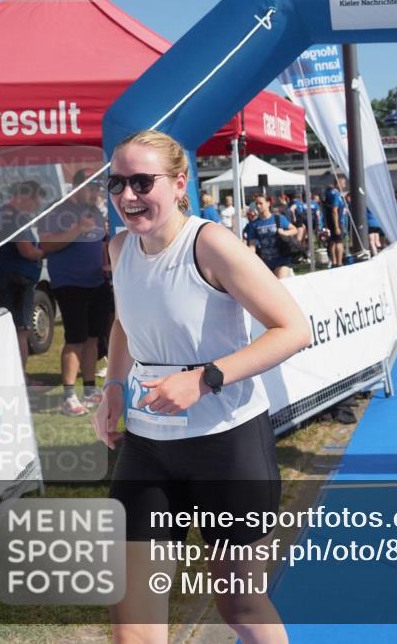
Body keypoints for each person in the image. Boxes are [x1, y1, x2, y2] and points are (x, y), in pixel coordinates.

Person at [92, 130, 310, 644]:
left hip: (228, 447)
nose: (127, 196)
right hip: (148, 448)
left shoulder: (210, 244)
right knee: (132, 623)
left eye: (141, 182)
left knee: (239, 604)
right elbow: (125, 321)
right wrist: (114, 386)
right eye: (116, 183)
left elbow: (293, 329)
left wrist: (206, 378)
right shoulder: (120, 247)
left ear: (179, 183)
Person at [39, 169, 113, 416]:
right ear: (77, 186)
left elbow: (101, 242)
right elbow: (46, 244)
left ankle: (90, 389)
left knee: (93, 338)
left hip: (96, 282)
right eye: (91, 188)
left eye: (98, 188)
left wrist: (107, 264)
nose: (96, 193)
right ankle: (69, 397)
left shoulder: (94, 211)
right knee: (75, 339)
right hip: (70, 284)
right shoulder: (57, 210)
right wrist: (78, 229)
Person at [0, 180, 47, 370]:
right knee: (21, 330)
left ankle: (17, 375)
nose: (36, 207)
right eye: (35, 202)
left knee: (14, 329)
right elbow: (26, 251)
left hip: (3, 279)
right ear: (25, 196)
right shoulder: (13, 217)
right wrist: (45, 252)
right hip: (14, 282)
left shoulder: (3, 215)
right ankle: (21, 378)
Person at [244, 195, 300, 278]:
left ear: (268, 203)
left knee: (280, 282)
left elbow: (294, 230)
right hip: (266, 262)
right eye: (256, 204)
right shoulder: (254, 224)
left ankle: (288, 272)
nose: (258, 206)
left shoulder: (278, 218)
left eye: (261, 203)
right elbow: (252, 245)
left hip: (282, 260)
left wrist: (284, 233)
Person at [324, 178, 348, 267]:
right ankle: (339, 262)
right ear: (338, 183)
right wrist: (337, 226)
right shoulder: (336, 194)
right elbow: (334, 210)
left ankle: (334, 262)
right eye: (343, 183)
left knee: (333, 241)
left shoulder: (329, 193)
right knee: (339, 242)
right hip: (337, 222)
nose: (344, 186)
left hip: (331, 222)